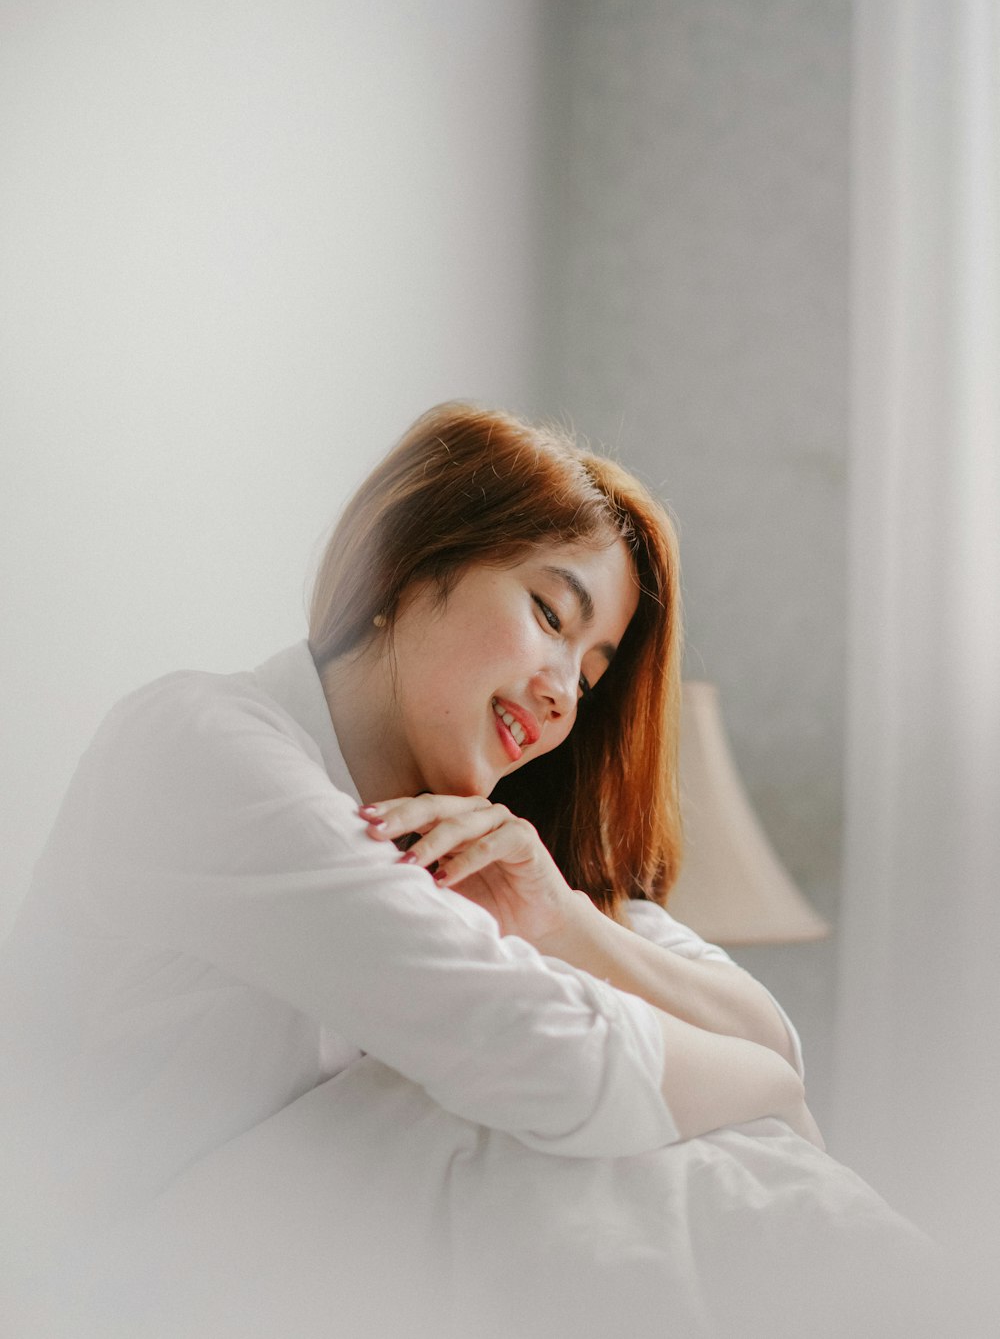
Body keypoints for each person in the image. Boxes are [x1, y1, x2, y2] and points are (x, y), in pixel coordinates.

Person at [0, 402, 962, 1339]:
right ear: (409, 564)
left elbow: (762, 1036)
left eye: (588, 676)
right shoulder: (200, 746)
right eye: (550, 613)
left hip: (304, 1286)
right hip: (104, 1290)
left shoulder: (485, 840)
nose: (559, 694)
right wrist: (762, 1081)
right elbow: (559, 1063)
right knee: (526, 1120)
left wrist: (564, 922)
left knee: (690, 1155)